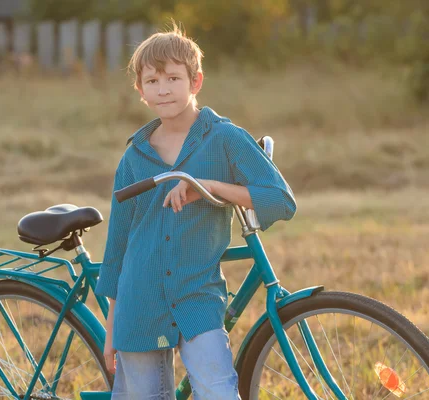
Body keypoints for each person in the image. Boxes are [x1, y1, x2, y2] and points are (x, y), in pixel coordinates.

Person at [94, 22, 297, 400]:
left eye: (173, 77)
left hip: (197, 297)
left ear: (196, 81)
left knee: (218, 392)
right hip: (139, 301)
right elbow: (118, 248)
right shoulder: (135, 155)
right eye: (152, 81)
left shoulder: (224, 139)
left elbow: (280, 199)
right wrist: (112, 327)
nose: (164, 89)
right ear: (140, 90)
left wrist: (209, 187)